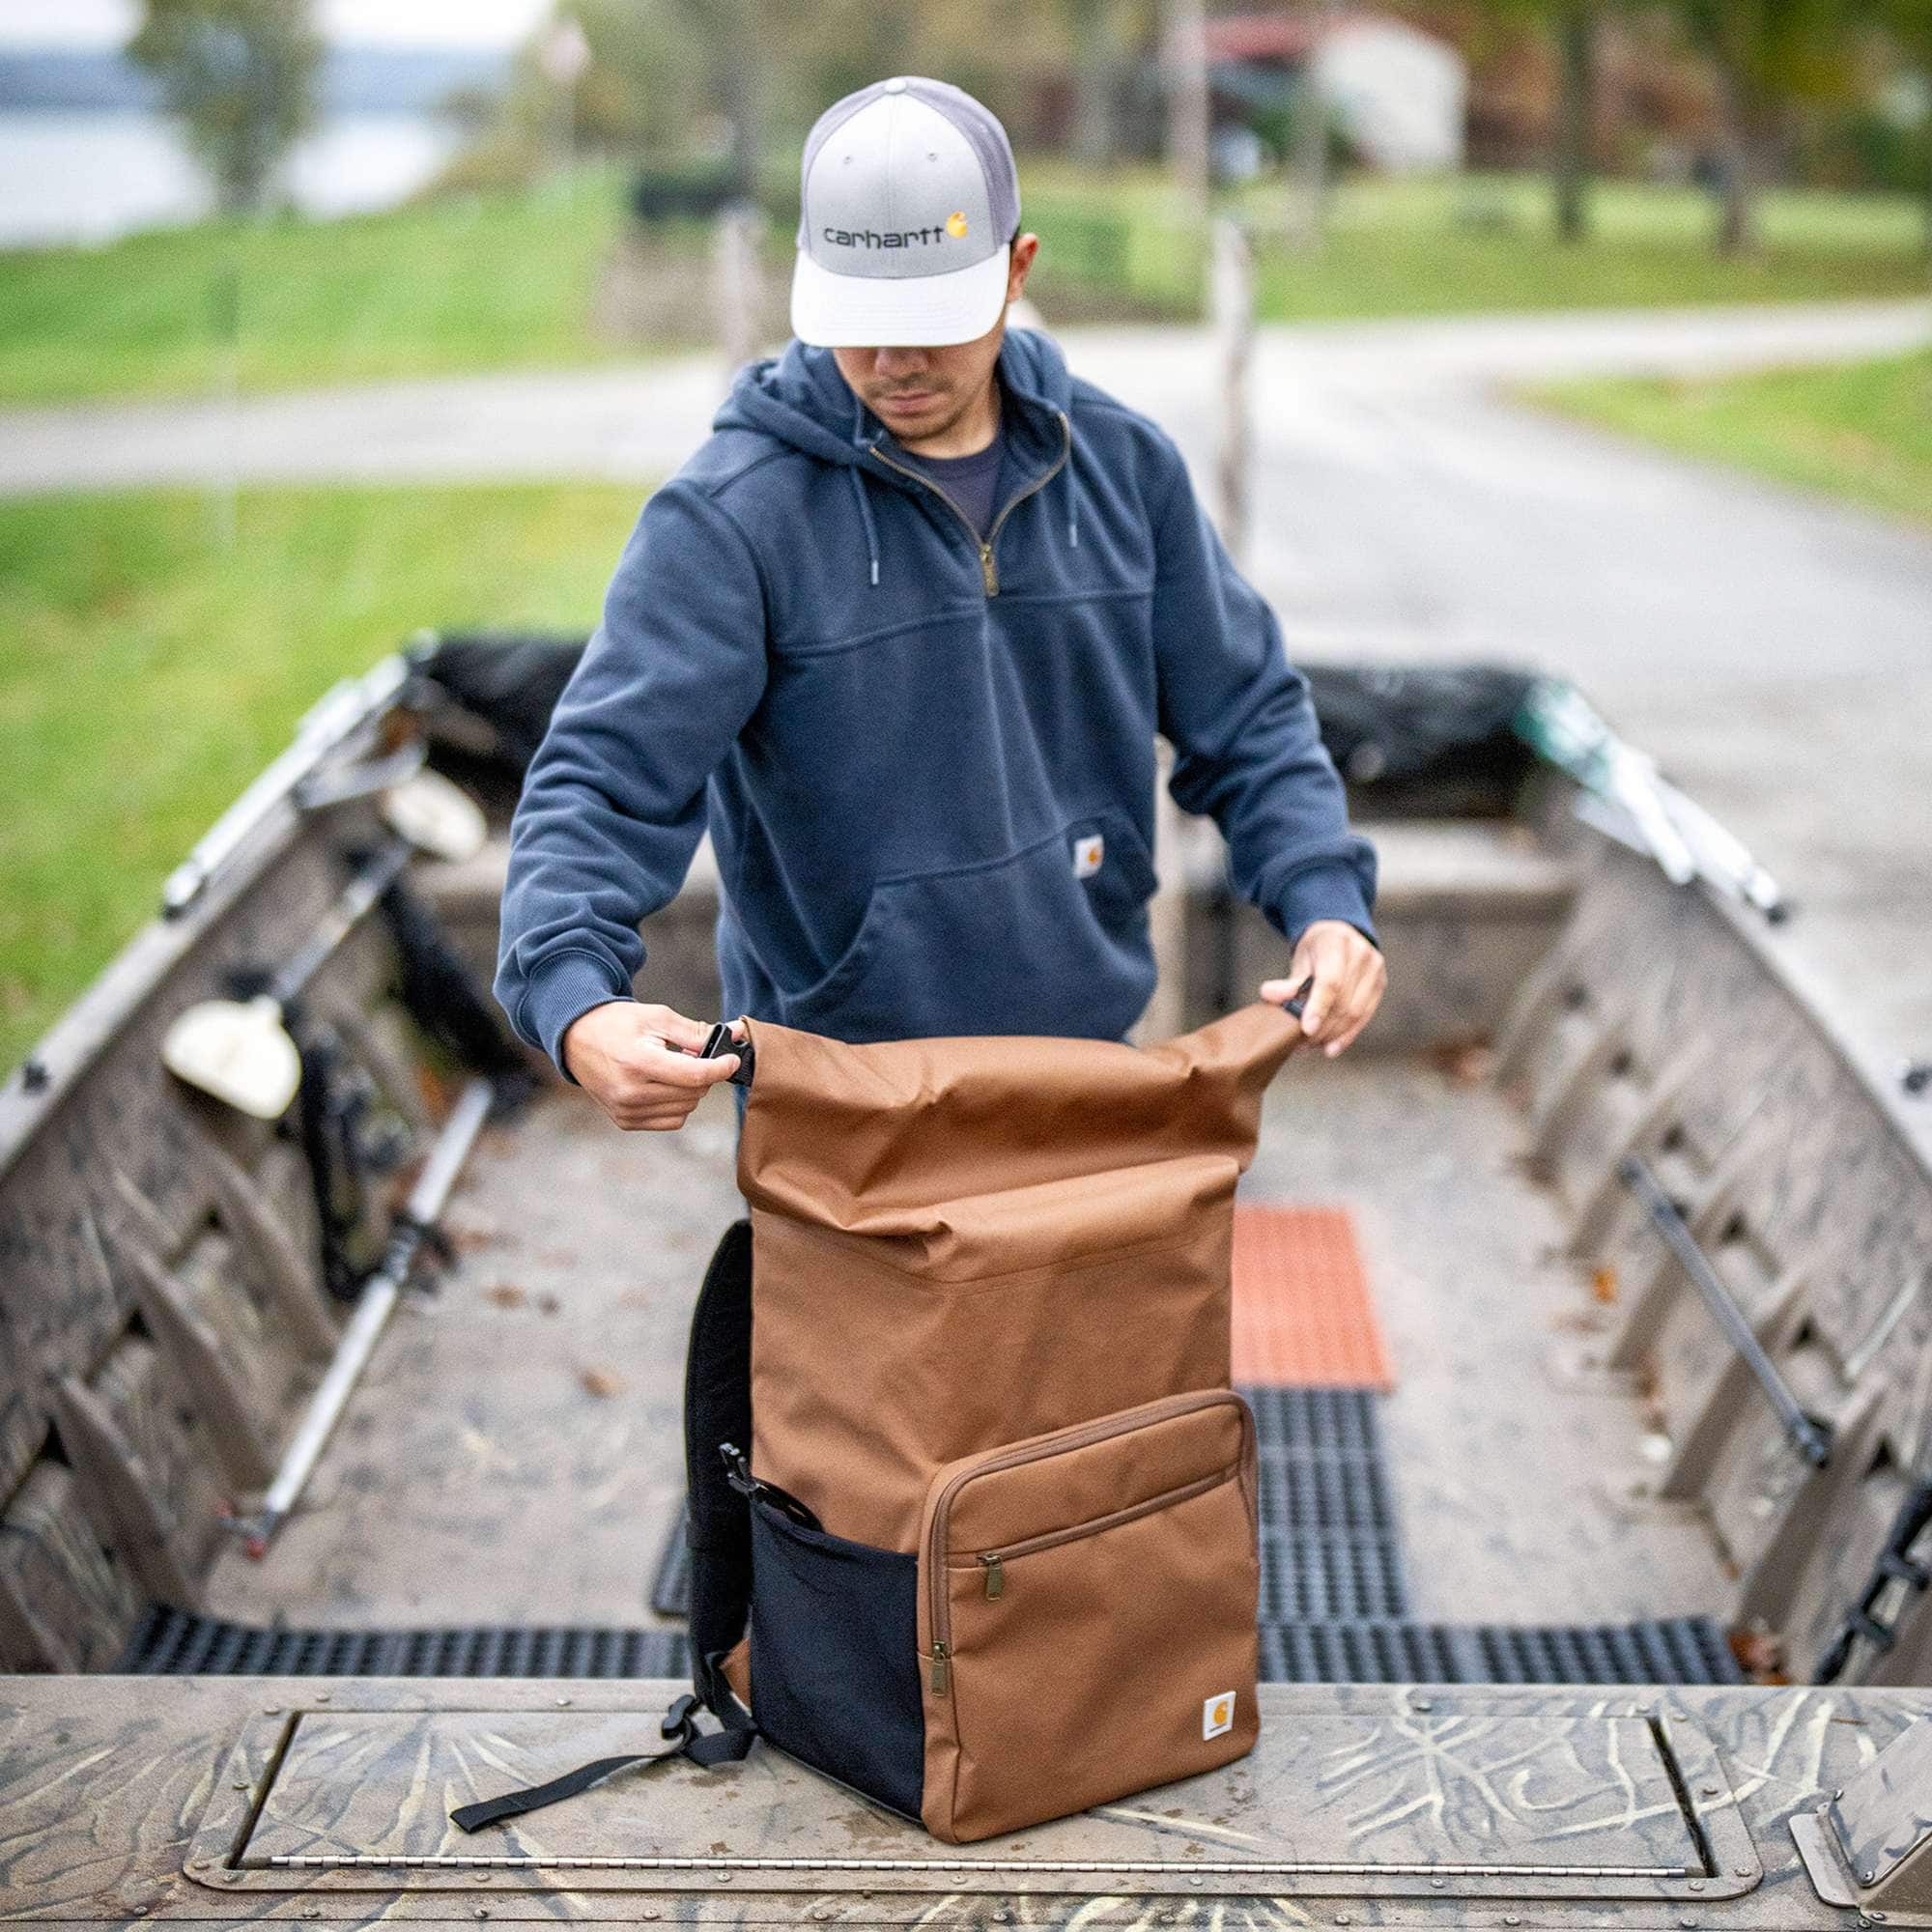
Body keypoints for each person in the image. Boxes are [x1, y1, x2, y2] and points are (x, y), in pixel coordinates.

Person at [495, 75, 1385, 1133]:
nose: (896, 361)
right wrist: (577, 999)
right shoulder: (729, 518)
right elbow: (601, 780)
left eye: (931, 320)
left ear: (1016, 271)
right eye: (860, 325)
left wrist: (1325, 903)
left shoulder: (1124, 468)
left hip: (1082, 1068)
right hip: (835, 1102)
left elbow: (1247, 722)